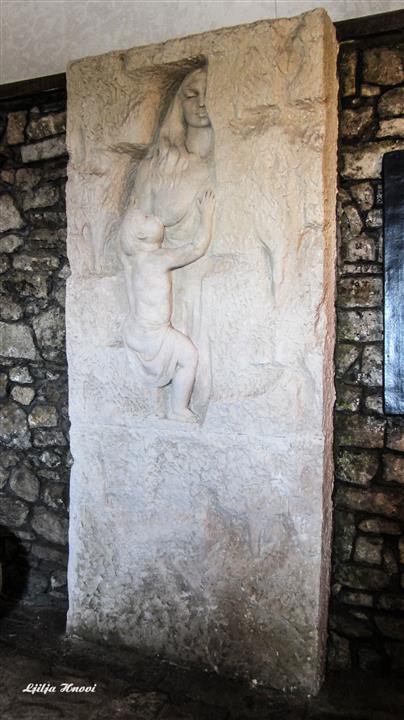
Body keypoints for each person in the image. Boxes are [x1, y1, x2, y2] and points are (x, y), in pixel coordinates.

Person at [119, 190, 216, 422]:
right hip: (154, 335)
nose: (153, 215)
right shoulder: (159, 259)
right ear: (142, 236)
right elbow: (196, 248)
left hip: (134, 331)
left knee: (180, 357)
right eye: (146, 218)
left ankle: (161, 406)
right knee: (189, 356)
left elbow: (120, 249)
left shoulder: (132, 261)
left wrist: (130, 215)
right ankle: (178, 409)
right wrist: (207, 214)